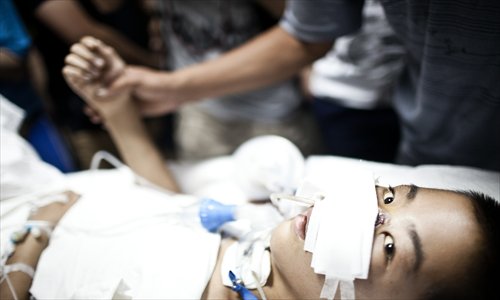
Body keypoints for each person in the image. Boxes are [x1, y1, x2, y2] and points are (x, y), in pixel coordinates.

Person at [4, 38, 499, 300]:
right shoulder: (254, 236)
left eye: (389, 247)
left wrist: (34, 238)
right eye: (389, 197)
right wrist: (117, 111)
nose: (366, 212)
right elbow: (171, 207)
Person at [89, 0, 500, 171]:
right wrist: (166, 89)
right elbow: (306, 32)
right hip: (431, 145)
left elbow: (297, 26)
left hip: (280, 112)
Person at [140, 0, 322, 159]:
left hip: (271, 113)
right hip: (200, 111)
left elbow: (308, 27)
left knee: (288, 192)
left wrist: (171, 87)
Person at [13, 0, 161, 169]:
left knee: (159, 167)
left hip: (143, 90)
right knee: (110, 170)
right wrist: (158, 68)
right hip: (84, 106)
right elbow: (84, 32)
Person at [302, 0, 404, 162]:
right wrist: (305, 69)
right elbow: (299, 25)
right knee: (351, 173)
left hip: (403, 94)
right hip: (339, 97)